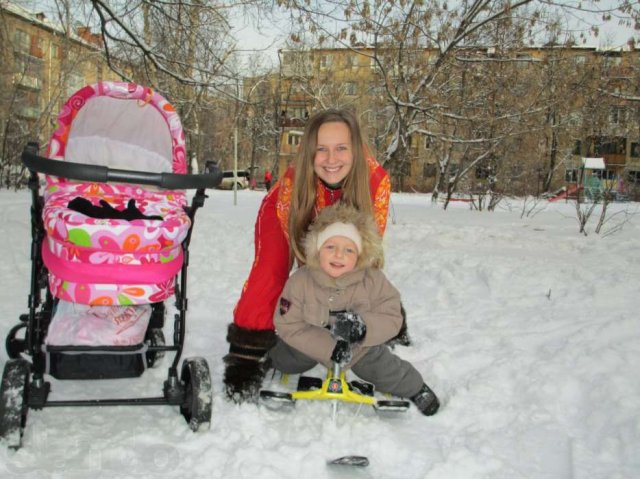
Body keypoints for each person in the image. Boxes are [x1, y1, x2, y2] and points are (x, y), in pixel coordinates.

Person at [224, 109, 398, 402]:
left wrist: (365, 320)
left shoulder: (376, 183)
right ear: (309, 152)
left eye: (341, 148)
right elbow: (304, 261)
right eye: (322, 149)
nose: (332, 159)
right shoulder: (293, 185)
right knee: (271, 271)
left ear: (355, 148)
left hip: (344, 222)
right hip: (288, 216)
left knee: (351, 265)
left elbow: (366, 256)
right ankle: (247, 355)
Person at [269, 203, 440, 416]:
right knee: (288, 360)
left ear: (360, 255)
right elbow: (289, 324)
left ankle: (415, 387)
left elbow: (392, 315)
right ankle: (265, 360)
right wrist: (328, 348)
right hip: (309, 343)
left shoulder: (373, 280)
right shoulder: (300, 281)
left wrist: (364, 329)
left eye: (348, 250)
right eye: (330, 247)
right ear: (316, 249)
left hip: (359, 349)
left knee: (382, 368)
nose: (339, 255)